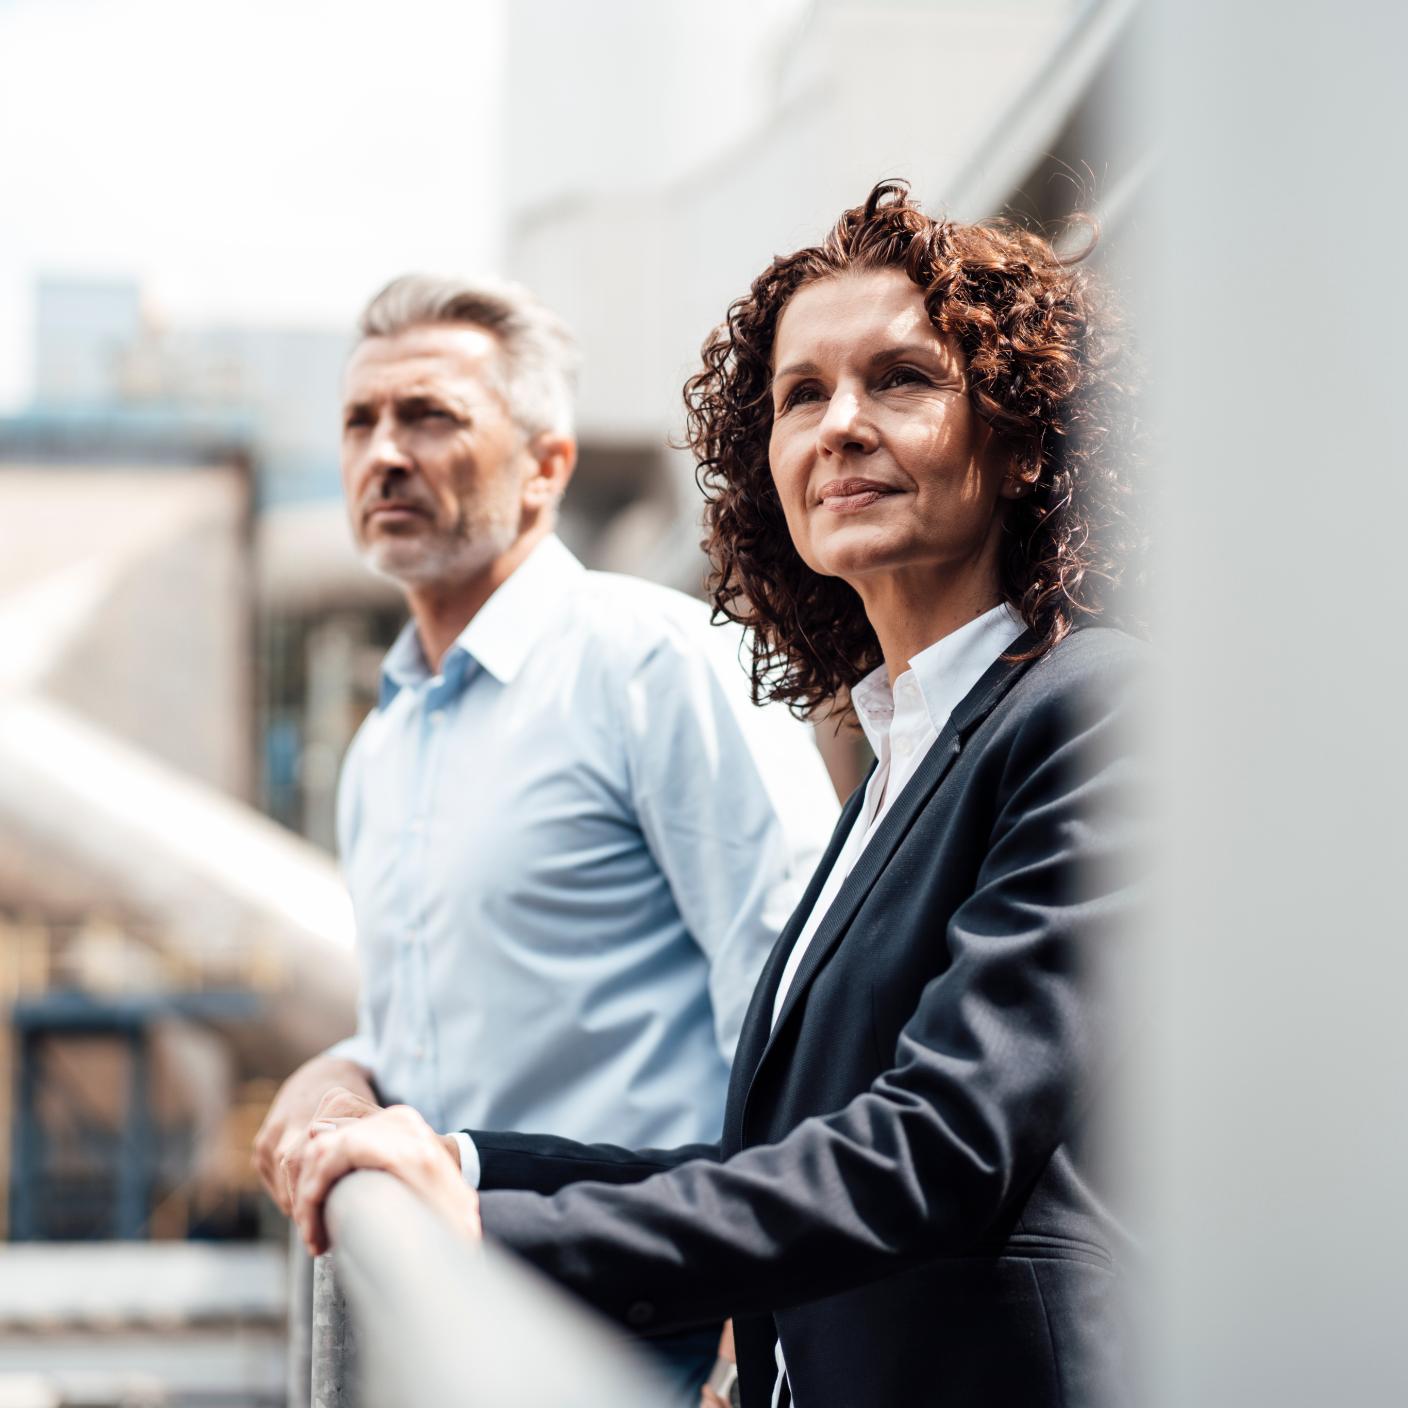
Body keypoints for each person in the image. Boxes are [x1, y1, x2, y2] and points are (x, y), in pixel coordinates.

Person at [292, 182, 1146, 1408]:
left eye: (898, 379)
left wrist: (497, 1236)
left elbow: (937, 1148)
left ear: (1018, 439)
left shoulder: (1089, 709)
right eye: (801, 395)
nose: (838, 425)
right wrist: (462, 1162)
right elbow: (768, 1157)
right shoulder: (904, 749)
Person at [253, 274, 839, 1395]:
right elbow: (428, 1024)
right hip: (459, 1326)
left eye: (429, 417)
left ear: (546, 466)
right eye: (359, 422)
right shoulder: (384, 742)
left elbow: (794, 1013)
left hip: (656, 1338)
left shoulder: (651, 666)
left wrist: (742, 1345)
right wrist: (338, 1067)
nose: (384, 453)